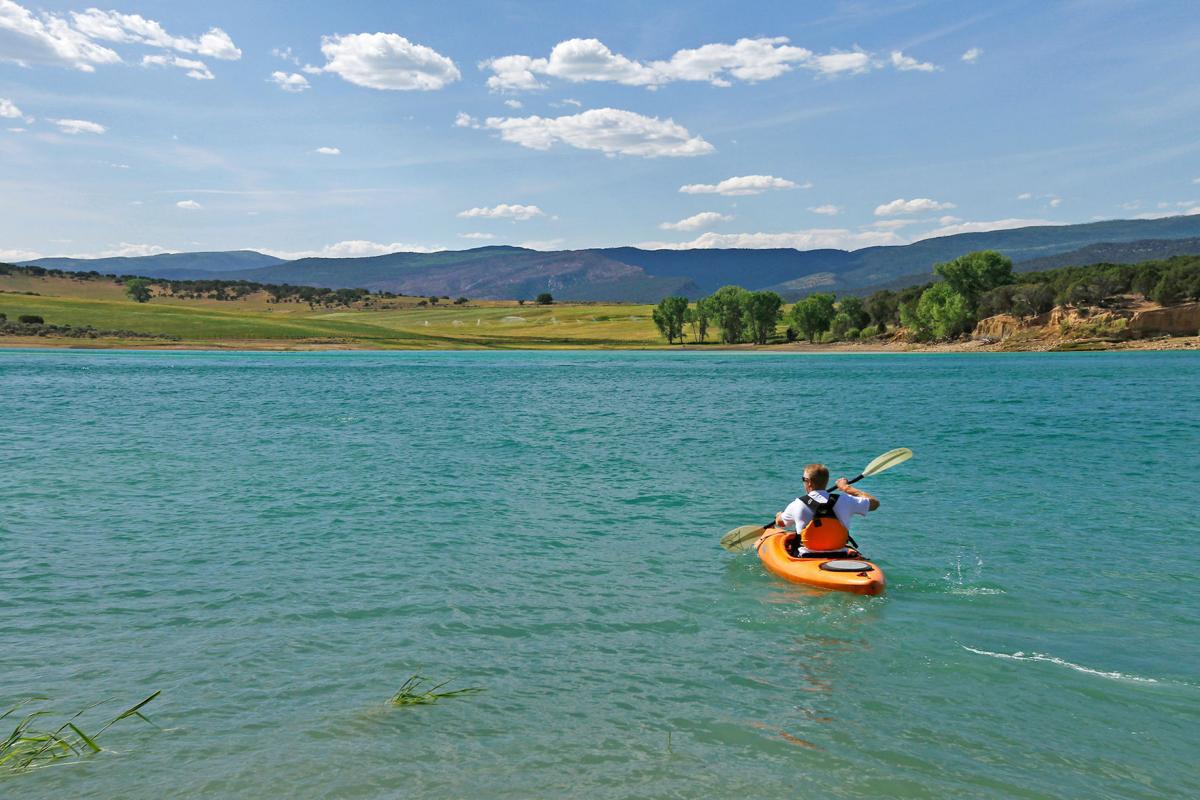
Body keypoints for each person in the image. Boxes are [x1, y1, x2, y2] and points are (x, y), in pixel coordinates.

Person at [774, 463, 879, 554]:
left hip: (807, 556)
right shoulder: (845, 500)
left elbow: (781, 523)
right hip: (840, 554)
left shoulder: (797, 504)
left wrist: (779, 515)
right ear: (826, 481)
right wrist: (846, 488)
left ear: (809, 482)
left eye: (803, 480)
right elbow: (875, 504)